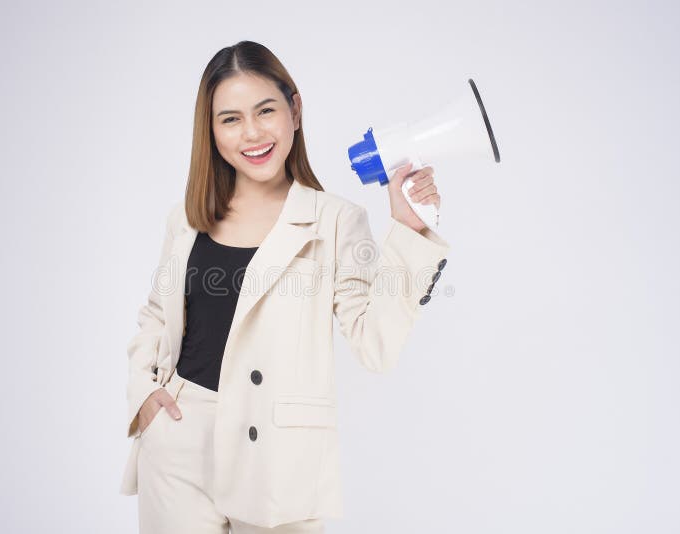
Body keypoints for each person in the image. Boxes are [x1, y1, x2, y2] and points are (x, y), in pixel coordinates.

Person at [120, 40, 449, 534]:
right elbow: (155, 315)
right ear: (210, 131)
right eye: (230, 119)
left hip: (277, 454)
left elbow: (375, 345)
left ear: (294, 109)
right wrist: (145, 393)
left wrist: (410, 232)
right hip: (179, 442)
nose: (251, 133)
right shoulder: (186, 220)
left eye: (265, 110)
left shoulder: (335, 221)